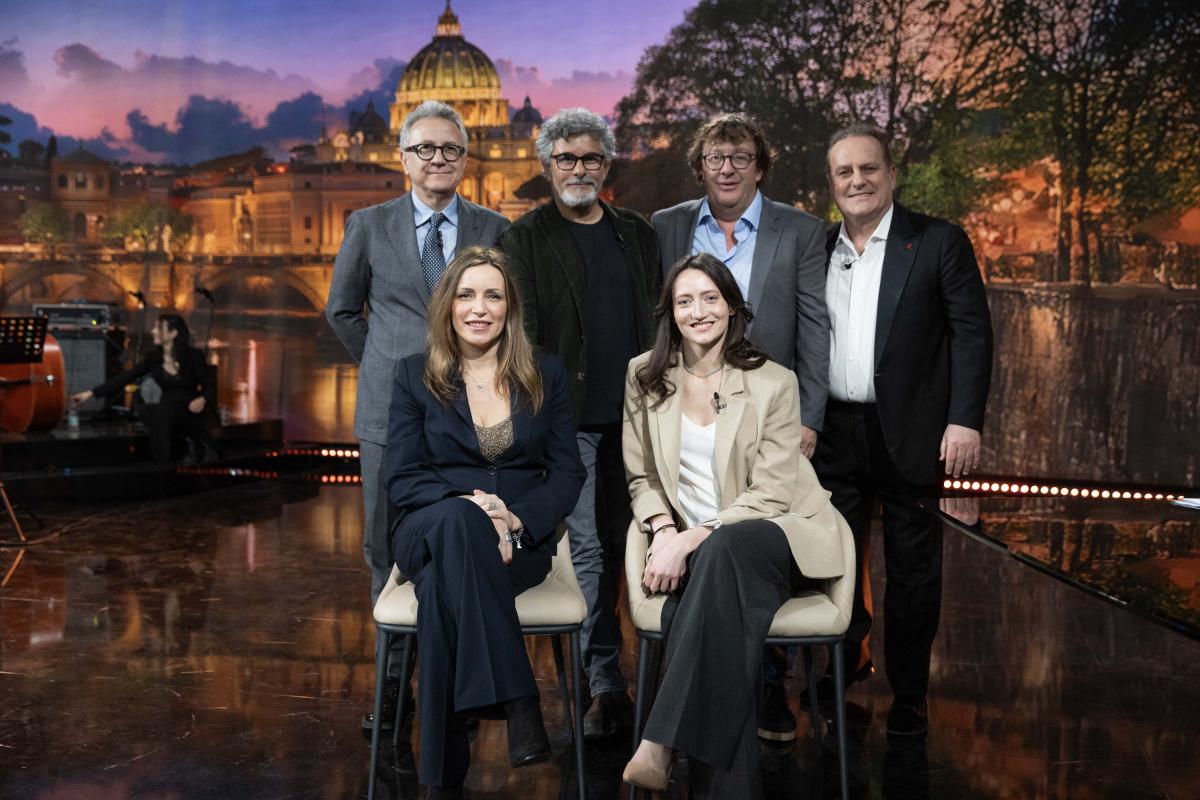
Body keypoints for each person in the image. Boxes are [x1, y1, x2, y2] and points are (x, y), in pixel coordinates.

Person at [620, 253, 848, 798]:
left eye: (710, 298)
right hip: (707, 557)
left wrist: (692, 537)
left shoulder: (774, 382)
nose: (698, 311)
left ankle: (660, 739)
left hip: (776, 535)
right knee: (722, 608)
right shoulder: (644, 375)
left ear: (731, 307)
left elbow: (771, 494)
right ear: (670, 313)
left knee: (724, 551)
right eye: (684, 301)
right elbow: (640, 475)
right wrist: (663, 531)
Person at [325, 100, 509, 734]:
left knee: (466, 540)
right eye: (425, 148)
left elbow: (508, 315)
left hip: (474, 413)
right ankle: (393, 686)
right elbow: (341, 311)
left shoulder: (494, 227)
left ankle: (457, 686)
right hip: (388, 415)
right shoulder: (367, 224)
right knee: (384, 549)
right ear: (402, 158)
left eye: (450, 149)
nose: (438, 159)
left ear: (465, 159)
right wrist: (390, 370)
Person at [651, 112, 831, 740]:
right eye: (715, 158)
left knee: (754, 539)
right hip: (694, 409)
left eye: (740, 157)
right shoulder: (666, 225)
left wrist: (808, 417)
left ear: (760, 166)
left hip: (772, 417)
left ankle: (768, 687)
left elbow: (814, 327)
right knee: (709, 531)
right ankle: (715, 698)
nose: (727, 168)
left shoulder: (800, 230)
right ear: (700, 167)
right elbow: (664, 319)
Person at [812, 124, 993, 738]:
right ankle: (842, 670)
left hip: (914, 433)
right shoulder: (819, 247)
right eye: (844, 172)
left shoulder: (938, 241)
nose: (857, 181)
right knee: (833, 563)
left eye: (869, 169)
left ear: (891, 174)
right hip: (832, 433)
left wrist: (964, 420)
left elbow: (972, 335)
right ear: (831, 184)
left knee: (913, 573)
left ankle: (910, 695)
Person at [384, 246, 585, 796]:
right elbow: (401, 477)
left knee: (441, 595)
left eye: (492, 296)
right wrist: (474, 507)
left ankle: (440, 783)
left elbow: (567, 472)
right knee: (457, 520)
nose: (479, 308)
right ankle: (519, 699)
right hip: (428, 527)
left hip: (515, 541)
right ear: (447, 306)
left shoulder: (544, 372)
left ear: (509, 307)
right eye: (466, 295)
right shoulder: (413, 375)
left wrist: (514, 517)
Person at [499, 108, 661, 738]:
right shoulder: (524, 238)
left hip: (641, 417)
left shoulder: (637, 233)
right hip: (570, 424)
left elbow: (658, 323)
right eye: (566, 158)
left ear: (606, 164)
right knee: (589, 549)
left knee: (639, 540)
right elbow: (526, 339)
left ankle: (662, 675)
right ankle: (604, 682)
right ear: (548, 166)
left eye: (590, 158)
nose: (578, 169)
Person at [70, 313, 218, 463]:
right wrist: (90, 393)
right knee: (153, 411)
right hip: (166, 411)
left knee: (160, 413)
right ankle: (164, 463)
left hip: (190, 410)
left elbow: (209, 386)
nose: (153, 331)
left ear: (173, 333)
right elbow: (126, 377)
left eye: (158, 328)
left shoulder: (193, 356)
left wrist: (202, 399)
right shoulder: (153, 358)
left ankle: (185, 451)